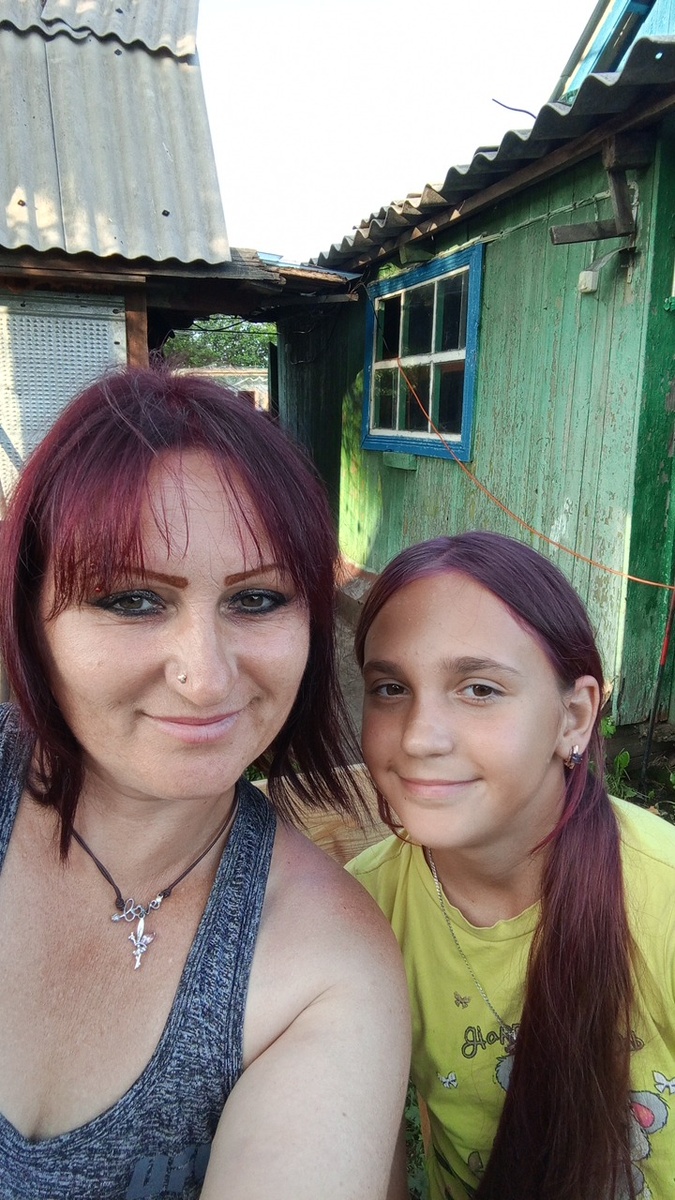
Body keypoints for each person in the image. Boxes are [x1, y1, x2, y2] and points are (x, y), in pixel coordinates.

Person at [0, 366, 410, 1200]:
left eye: (256, 600)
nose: (207, 679)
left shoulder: (328, 963)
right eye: (131, 600)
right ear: (31, 617)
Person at [347, 531, 675, 1200]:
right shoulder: (360, 914)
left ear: (573, 717)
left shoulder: (662, 896)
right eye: (390, 687)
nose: (418, 736)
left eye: (479, 688)